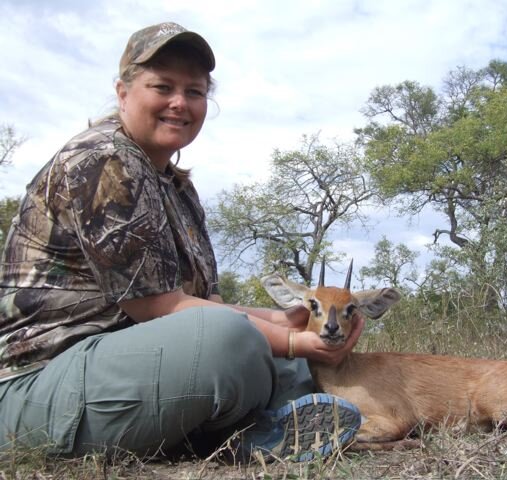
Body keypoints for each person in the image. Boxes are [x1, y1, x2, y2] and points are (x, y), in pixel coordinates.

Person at [0, 22, 364, 462]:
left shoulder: (178, 190)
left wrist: (282, 320)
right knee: (234, 342)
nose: (180, 103)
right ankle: (252, 428)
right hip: (38, 381)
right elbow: (158, 308)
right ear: (123, 92)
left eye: (194, 91)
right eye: (162, 86)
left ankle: (273, 425)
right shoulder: (103, 161)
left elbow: (200, 300)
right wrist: (286, 341)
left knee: (270, 341)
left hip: (130, 366)